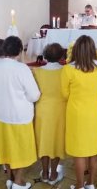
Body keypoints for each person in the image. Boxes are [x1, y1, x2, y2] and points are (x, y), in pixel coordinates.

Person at [0, 36, 40, 189]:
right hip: (19, 116)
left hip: (2, 115)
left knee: (7, 148)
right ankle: (18, 181)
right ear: (19, 50)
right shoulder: (21, 68)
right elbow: (34, 95)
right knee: (21, 150)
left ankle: (10, 178)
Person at [61, 35, 97, 189]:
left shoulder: (68, 69)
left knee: (79, 152)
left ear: (76, 50)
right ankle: (91, 184)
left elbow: (64, 94)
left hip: (76, 114)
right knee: (93, 150)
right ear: (93, 50)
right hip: (94, 112)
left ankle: (80, 185)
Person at [33, 43, 66, 185]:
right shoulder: (65, 71)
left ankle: (45, 172)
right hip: (59, 111)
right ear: (61, 56)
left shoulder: (37, 71)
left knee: (44, 141)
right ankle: (53, 174)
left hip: (42, 110)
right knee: (56, 141)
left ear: (45, 55)